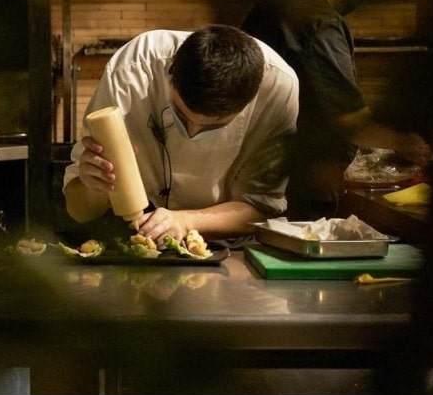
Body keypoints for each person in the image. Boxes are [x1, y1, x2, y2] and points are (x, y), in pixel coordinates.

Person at [241, 0, 433, 221]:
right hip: (301, 189)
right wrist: (404, 143)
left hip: (247, 176)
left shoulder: (267, 5)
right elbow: (348, 117)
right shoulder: (320, 21)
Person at [63, 24, 299, 245]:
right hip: (139, 234)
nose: (192, 132)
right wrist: (94, 185)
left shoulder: (277, 88)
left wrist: (186, 221)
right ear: (171, 71)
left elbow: (261, 207)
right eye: (181, 115)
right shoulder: (132, 70)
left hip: (229, 244)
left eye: (212, 128)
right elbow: (79, 211)